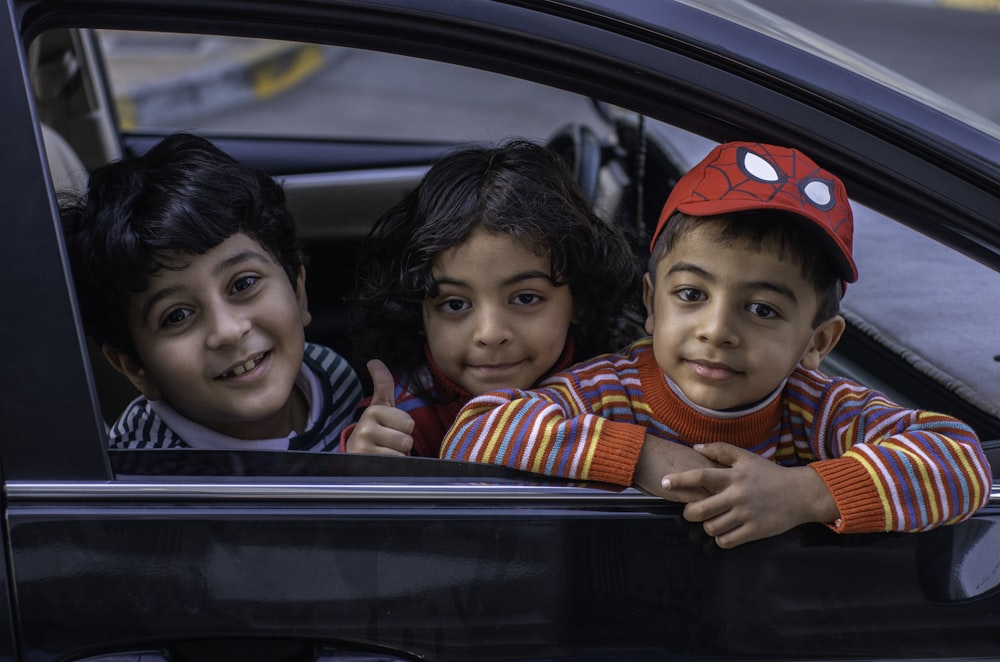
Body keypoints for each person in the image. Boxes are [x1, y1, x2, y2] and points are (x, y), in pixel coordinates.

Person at [440, 141, 993, 548]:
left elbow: (962, 461)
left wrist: (803, 493)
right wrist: (640, 457)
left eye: (762, 309)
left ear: (816, 342)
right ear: (653, 304)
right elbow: (474, 431)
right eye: (691, 294)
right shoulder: (606, 392)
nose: (717, 329)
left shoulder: (816, 410)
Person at [61, 133, 362, 450]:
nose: (228, 331)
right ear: (134, 367)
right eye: (177, 316)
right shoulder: (150, 473)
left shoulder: (329, 373)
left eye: (243, 284)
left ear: (298, 290)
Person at [343, 139, 644, 457]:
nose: (490, 334)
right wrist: (362, 462)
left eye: (525, 298)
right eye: (455, 304)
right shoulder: (402, 422)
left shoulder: (621, 392)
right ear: (418, 312)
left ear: (578, 300)